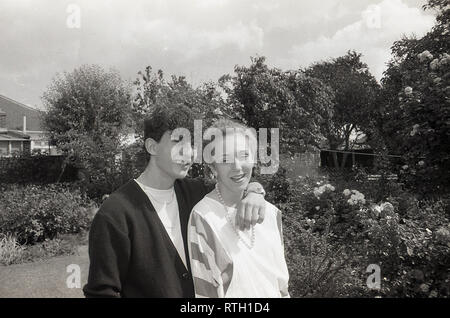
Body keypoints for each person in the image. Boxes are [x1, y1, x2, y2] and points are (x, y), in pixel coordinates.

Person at [82, 105, 267, 298]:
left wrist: (255, 191)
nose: (189, 154)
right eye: (179, 142)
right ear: (152, 147)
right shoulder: (115, 213)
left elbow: (234, 184)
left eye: (192, 145)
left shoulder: (195, 193)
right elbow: (101, 292)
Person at [188, 119, 290, 298]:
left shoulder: (272, 213)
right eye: (225, 159)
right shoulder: (203, 217)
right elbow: (205, 292)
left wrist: (256, 191)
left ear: (253, 160)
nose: (237, 167)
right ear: (213, 167)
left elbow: (281, 284)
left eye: (244, 155)